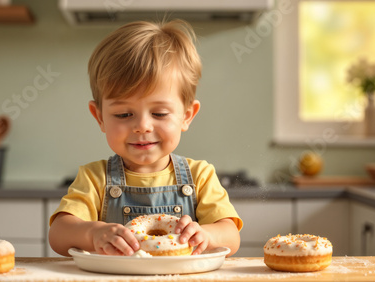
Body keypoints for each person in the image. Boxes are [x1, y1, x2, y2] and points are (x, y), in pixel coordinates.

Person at [48, 19, 243, 257]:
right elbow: (58, 234)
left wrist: (207, 235)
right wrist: (93, 233)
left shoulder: (200, 177)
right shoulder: (95, 179)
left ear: (187, 115)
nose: (142, 126)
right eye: (123, 114)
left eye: (159, 113)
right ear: (99, 116)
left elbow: (231, 234)